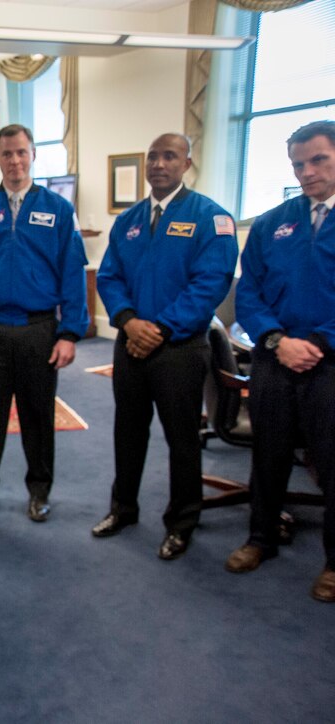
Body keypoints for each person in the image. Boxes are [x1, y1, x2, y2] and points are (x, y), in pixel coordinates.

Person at [92, 132, 238, 560]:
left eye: (169, 156)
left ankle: (182, 521)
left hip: (179, 349)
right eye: (152, 156)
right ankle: (124, 509)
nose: (158, 163)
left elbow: (210, 284)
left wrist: (159, 329)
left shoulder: (212, 219)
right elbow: (109, 276)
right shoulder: (130, 220)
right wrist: (128, 322)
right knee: (128, 433)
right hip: (130, 344)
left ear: (187, 164)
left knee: (182, 439)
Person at [0, 124, 89, 523]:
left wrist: (69, 333)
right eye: (7, 153)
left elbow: (73, 274)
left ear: (33, 156)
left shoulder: (59, 210)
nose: (15, 160)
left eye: (22, 153)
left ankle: (39, 491)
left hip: (39, 330)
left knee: (37, 415)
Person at [225, 119, 335, 601]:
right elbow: (248, 293)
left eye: (318, 161)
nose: (307, 172)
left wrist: (318, 344)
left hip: (328, 363)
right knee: (267, 457)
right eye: (298, 164)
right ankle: (261, 537)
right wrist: (275, 340)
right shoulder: (273, 223)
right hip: (274, 358)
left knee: (331, 463)